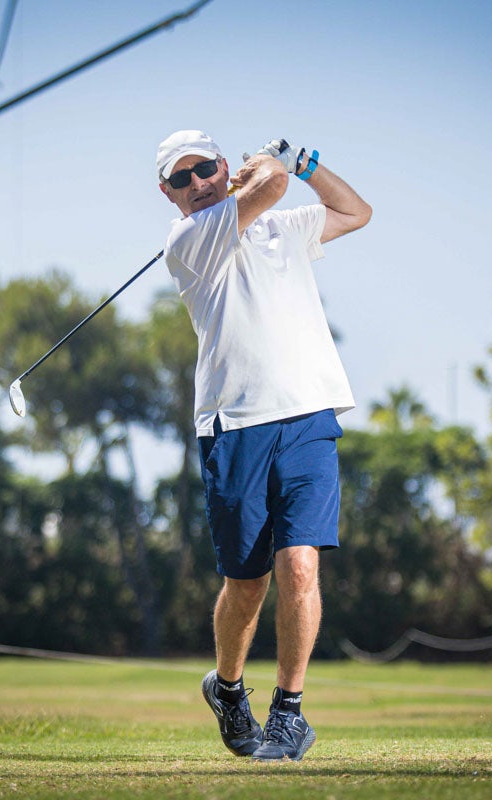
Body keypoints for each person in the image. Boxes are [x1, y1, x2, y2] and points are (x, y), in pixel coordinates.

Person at [155, 130, 372, 762]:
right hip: (235, 426)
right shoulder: (188, 239)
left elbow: (356, 213)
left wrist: (308, 164)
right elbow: (270, 187)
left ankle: (289, 713)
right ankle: (226, 687)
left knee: (299, 564)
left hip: (307, 415)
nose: (197, 183)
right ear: (168, 194)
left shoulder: (284, 229)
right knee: (245, 583)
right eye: (182, 178)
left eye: (205, 169)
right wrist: (269, 173)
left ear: (222, 166)